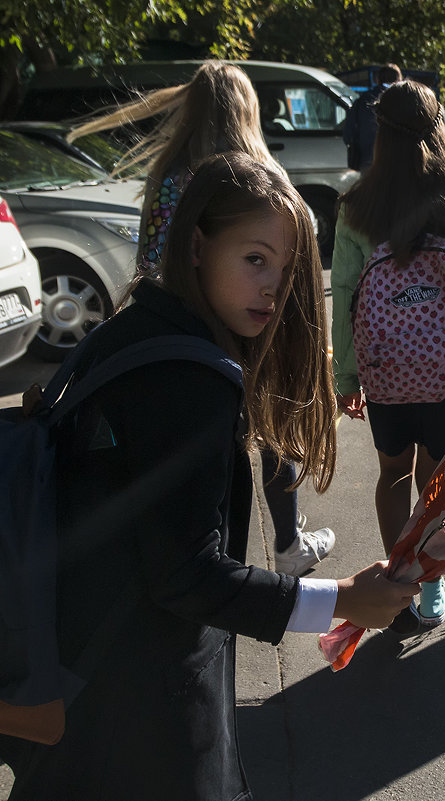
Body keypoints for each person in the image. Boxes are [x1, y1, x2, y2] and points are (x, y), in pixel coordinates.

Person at [0, 153, 418, 799]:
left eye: (285, 267)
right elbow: (186, 575)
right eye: (254, 258)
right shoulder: (189, 379)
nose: (274, 287)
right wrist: (340, 599)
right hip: (137, 707)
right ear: (198, 244)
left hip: (74, 663)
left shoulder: (131, 327)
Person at [69, 61, 336, 576]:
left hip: (177, 330)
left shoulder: (167, 178)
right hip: (247, 339)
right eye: (254, 259)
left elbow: (151, 260)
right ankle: (285, 542)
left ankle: (221, 548)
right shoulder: (266, 176)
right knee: (274, 428)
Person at [330, 81, 445, 633]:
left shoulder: (357, 207)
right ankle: (431, 583)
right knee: (435, 479)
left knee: (392, 472)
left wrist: (346, 375)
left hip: (384, 368)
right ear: (439, 131)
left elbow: (344, 294)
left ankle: (394, 585)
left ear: (380, 136)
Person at [344, 63, 402, 170]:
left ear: (378, 79)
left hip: (367, 159)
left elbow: (348, 132)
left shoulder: (363, 99)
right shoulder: (402, 100)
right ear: (398, 79)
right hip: (396, 162)